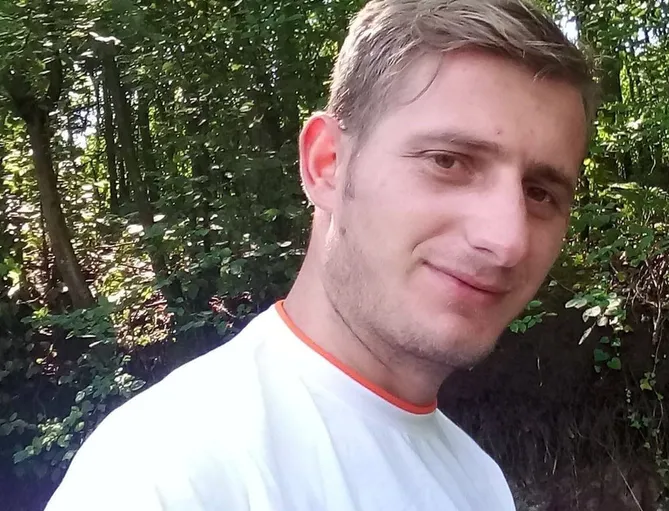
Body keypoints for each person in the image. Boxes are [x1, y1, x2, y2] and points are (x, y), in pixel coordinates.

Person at [45, 0, 596, 509]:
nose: (507, 239)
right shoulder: (167, 472)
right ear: (327, 164)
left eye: (540, 193)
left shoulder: (479, 483)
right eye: (448, 161)